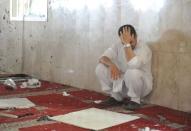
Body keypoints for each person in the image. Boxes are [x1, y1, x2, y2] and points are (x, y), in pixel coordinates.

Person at [95, 24, 153, 110]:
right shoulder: (118, 44)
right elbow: (102, 58)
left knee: (132, 72)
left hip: (141, 87)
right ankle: (116, 97)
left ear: (135, 36)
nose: (128, 44)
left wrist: (127, 45)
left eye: (131, 41)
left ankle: (135, 101)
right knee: (100, 68)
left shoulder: (144, 48)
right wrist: (111, 65)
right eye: (124, 41)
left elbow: (133, 64)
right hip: (123, 84)